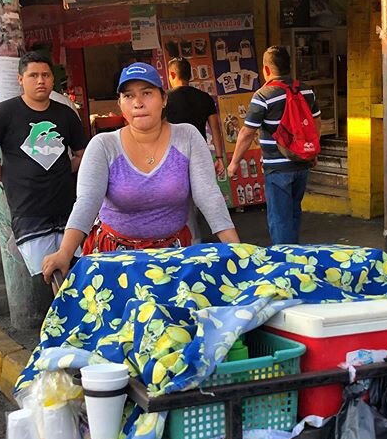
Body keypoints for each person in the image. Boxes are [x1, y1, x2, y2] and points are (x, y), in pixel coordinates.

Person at [41, 62, 239, 283]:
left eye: (147, 93)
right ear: (120, 103)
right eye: (128, 96)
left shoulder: (187, 137)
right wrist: (65, 253)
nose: (138, 103)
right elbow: (87, 202)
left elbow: (208, 195)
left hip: (173, 257)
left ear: (164, 99)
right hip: (115, 259)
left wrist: (237, 249)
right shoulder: (104, 145)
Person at [0, 51, 87, 276]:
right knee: (48, 274)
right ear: (20, 79)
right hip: (29, 211)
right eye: (33, 75)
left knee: (76, 271)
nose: (41, 81)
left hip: (67, 207)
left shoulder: (65, 114)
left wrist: (65, 170)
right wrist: (9, 177)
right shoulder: (4, 113)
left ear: (53, 80)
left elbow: (84, 155)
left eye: (45, 75)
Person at [227, 46, 321, 245]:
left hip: (277, 167)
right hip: (302, 163)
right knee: (294, 213)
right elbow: (315, 123)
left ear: (267, 70)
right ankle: (295, 256)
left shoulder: (264, 95)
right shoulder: (305, 90)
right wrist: (311, 152)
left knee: (280, 219)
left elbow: (246, 133)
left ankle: (284, 263)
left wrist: (234, 163)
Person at [165, 57, 226, 177]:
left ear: (171, 74)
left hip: (174, 156)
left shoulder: (165, 99)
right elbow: (215, 128)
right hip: (200, 154)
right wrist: (219, 157)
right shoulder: (205, 97)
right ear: (190, 75)